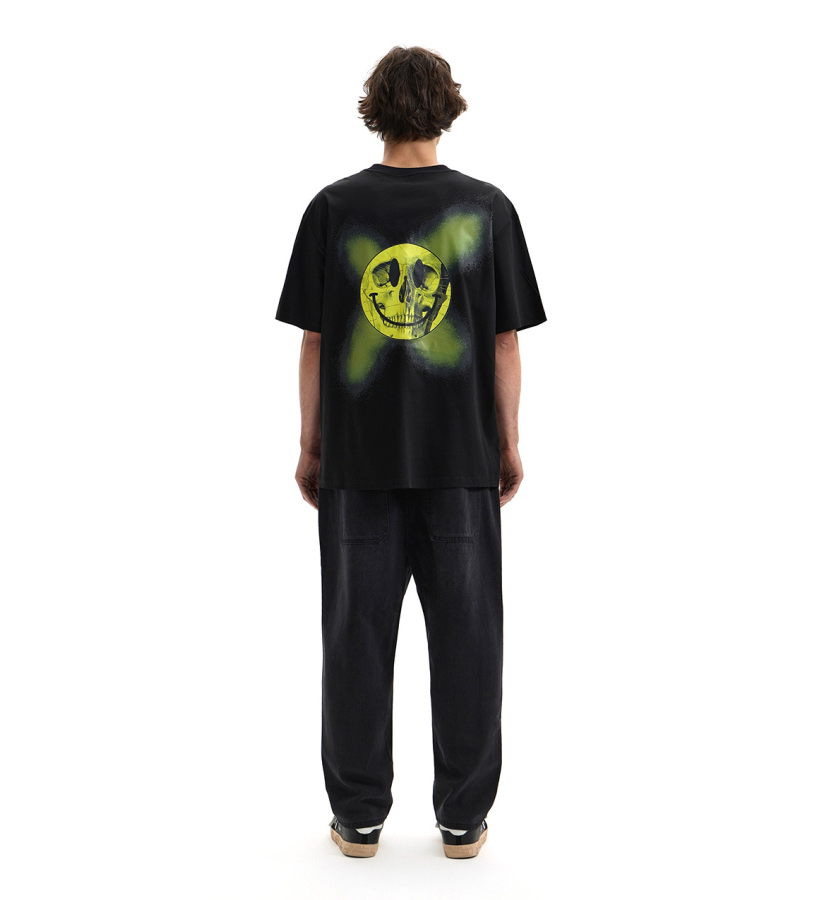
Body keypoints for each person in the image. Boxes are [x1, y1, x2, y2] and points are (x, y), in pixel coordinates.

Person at [275, 46, 547, 859]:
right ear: (447, 107)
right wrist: (508, 441)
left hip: (358, 467)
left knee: (354, 640)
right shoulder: (487, 209)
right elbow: (503, 343)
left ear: (374, 109)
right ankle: (462, 820)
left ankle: (358, 818)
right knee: (469, 640)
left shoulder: (333, 207)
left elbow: (315, 342)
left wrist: (311, 445)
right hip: (459, 465)